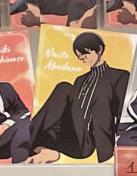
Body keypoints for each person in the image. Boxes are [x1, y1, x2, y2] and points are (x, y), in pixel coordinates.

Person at [29, 31, 128, 163]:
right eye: (79, 56)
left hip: (87, 140)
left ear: (99, 49)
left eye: (85, 54)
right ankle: (44, 151)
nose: (82, 59)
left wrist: (122, 144)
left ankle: (27, 140)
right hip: (69, 133)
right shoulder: (80, 80)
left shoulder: (120, 76)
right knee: (48, 122)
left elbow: (122, 112)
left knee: (64, 87)